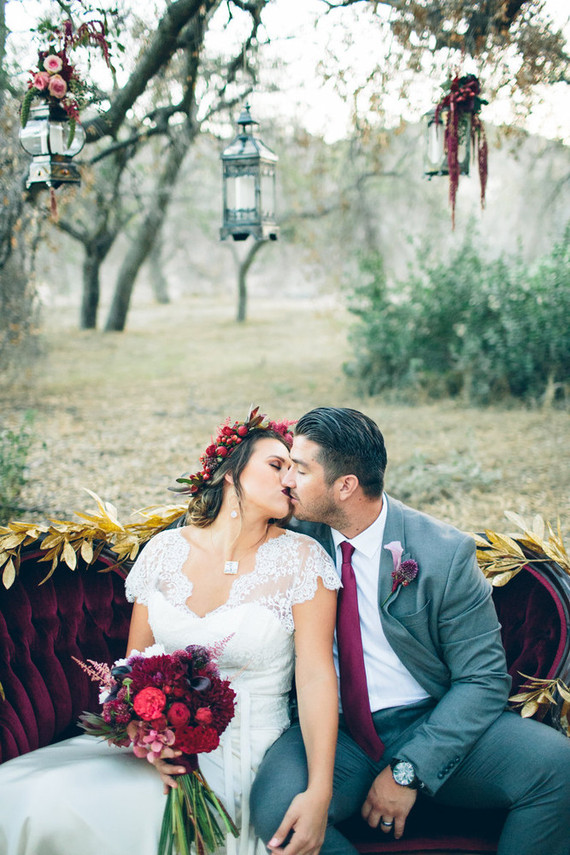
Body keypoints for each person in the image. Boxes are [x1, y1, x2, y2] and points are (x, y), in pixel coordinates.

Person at [0, 408, 340, 855]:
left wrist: (319, 791)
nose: (289, 480)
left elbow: (316, 678)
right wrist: (148, 740)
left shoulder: (305, 559)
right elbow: (132, 669)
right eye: (276, 465)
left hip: (250, 753)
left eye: (295, 470)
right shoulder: (163, 551)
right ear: (229, 474)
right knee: (27, 796)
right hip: (163, 752)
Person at [250, 406, 570, 855]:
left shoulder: (443, 553)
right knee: (278, 811)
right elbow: (212, 527)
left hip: (427, 718)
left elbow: (483, 679)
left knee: (558, 767)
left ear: (345, 486)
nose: (287, 481)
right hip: (333, 732)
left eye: (300, 470)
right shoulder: (288, 534)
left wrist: (410, 769)